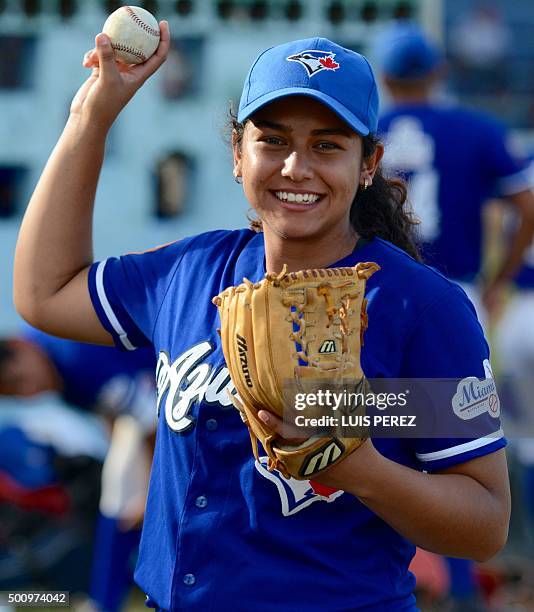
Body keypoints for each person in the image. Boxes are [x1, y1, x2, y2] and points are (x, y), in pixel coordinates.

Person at [13, 27, 510, 610]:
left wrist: (359, 466)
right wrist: (90, 119)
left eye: (328, 145)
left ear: (369, 163)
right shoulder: (192, 272)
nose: (296, 166)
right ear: (236, 154)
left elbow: (484, 524)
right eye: (272, 141)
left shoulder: (419, 306)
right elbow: (44, 294)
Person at [376, 23, 534, 320]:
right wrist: (499, 281)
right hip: (458, 291)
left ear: (384, 77)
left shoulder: (364, 134)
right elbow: (528, 207)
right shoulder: (478, 129)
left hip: (381, 290)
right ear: (439, 72)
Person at [0, 327, 156, 611]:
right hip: (160, 411)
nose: (28, 394)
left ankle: (104, 602)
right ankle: (104, 601)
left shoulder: (71, 352)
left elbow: (154, 419)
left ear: (18, 347)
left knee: (123, 500)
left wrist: (153, 490)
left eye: (19, 381)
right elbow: (117, 415)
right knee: (119, 497)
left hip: (198, 399)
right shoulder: (58, 368)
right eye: (15, 395)